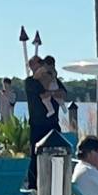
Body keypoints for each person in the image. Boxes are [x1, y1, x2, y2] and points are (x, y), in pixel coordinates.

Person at [25, 56, 69, 187]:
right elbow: (43, 93)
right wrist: (52, 93)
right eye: (38, 63)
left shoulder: (52, 78)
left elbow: (63, 93)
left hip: (53, 125)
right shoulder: (30, 82)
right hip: (37, 125)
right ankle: (34, 186)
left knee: (57, 154)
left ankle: (55, 184)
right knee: (35, 157)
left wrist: (53, 90)